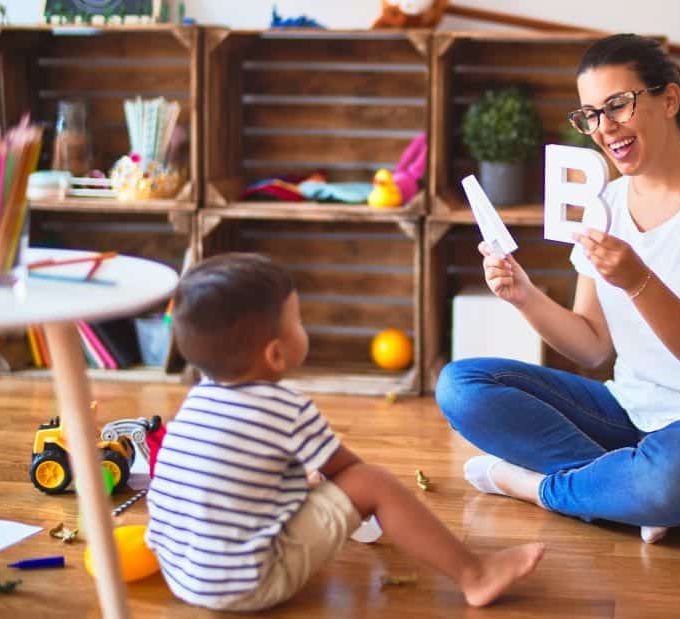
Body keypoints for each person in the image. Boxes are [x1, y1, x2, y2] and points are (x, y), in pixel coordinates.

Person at [436, 34, 680, 544]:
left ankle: (539, 487)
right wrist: (524, 296)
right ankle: (625, 490)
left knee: (676, 476)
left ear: (669, 100)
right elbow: (592, 345)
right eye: (590, 115)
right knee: (462, 388)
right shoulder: (605, 202)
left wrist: (638, 281)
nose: (605, 128)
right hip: (628, 412)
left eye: (618, 105)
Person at [146, 253, 545, 611]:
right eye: (296, 321)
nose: (304, 328)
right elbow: (347, 471)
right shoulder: (284, 407)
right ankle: (475, 575)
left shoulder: (197, 401)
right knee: (373, 483)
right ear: (275, 353)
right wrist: (363, 506)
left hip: (182, 576)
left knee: (308, 478)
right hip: (250, 584)